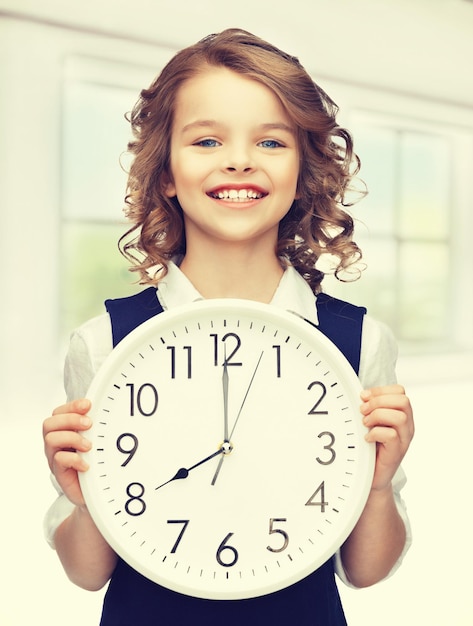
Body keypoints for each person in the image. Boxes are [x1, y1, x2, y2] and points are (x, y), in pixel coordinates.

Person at [43, 28, 414, 625]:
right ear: (165, 172)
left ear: (303, 169)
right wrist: (86, 502)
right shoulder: (104, 343)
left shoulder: (359, 343)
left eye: (270, 141)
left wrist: (376, 485)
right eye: (208, 139)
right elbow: (88, 575)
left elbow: (366, 572)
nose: (238, 159)